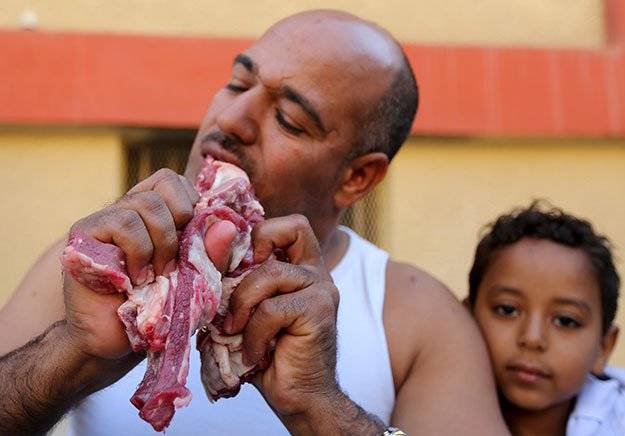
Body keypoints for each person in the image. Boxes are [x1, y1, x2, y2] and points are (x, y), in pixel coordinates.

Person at [0, 10, 508, 435]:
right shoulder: (96, 263)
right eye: (237, 83)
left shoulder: (416, 316)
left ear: (357, 177)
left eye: (289, 119)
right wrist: (74, 354)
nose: (232, 119)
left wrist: (318, 406)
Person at [466, 202, 625, 435]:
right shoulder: (419, 405)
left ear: (603, 347)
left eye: (565, 321)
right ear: (465, 319)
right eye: (507, 310)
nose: (532, 338)